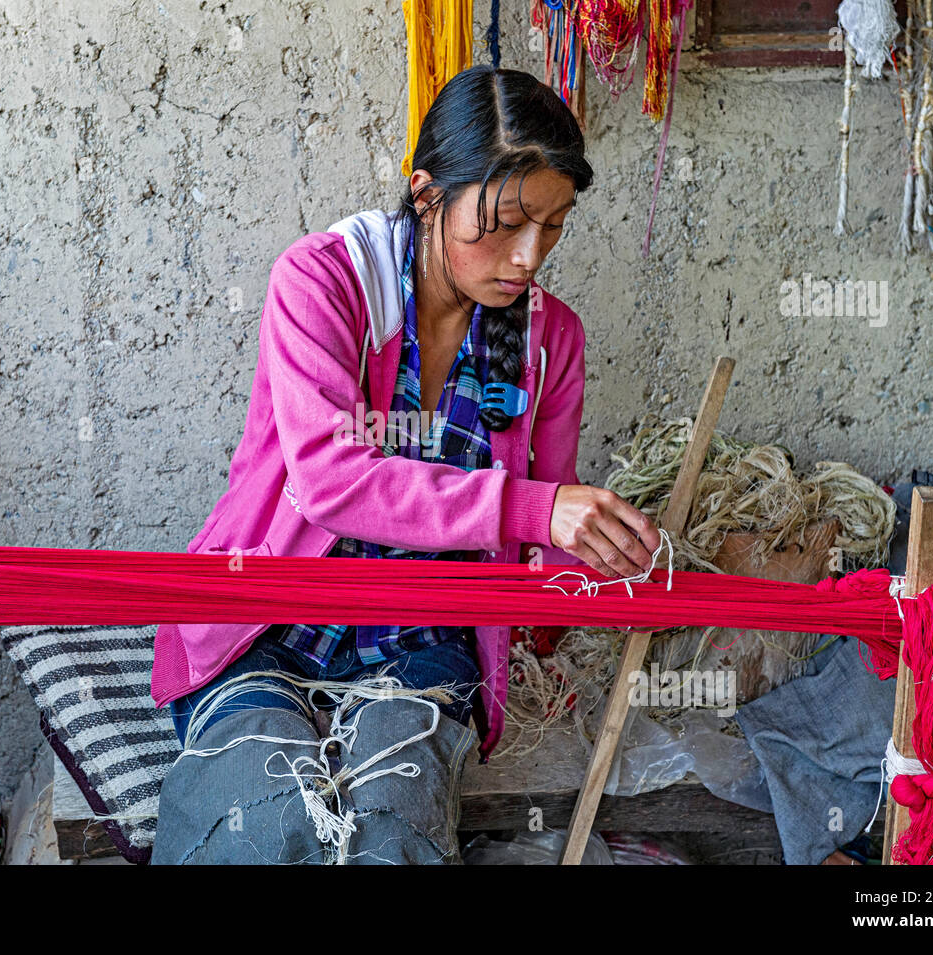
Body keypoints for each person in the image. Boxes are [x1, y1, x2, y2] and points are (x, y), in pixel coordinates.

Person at [150, 64, 660, 865]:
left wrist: (611, 560)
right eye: (507, 222)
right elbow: (328, 476)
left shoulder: (547, 341)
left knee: (394, 827)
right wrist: (533, 507)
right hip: (269, 620)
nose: (530, 257)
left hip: (421, 642)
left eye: (554, 226)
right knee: (263, 822)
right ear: (427, 195)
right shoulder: (320, 284)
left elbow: (550, 537)